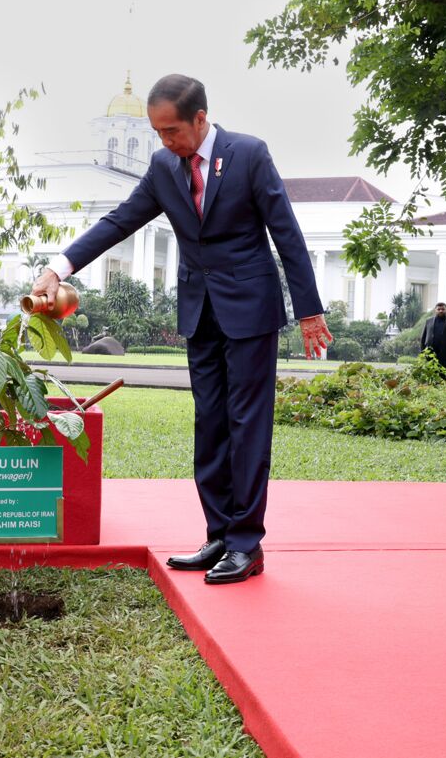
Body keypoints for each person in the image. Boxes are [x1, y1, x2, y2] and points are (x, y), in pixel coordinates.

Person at [31, 74, 332, 585]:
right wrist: (59, 267)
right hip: (199, 311)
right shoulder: (163, 165)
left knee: (247, 424)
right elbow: (120, 220)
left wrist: (310, 311)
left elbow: (287, 233)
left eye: (172, 130)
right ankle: (218, 535)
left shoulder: (249, 154)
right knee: (209, 422)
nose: (166, 141)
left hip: (250, 310)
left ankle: (246, 543)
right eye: (157, 132)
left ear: (200, 118)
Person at [419, 302, 446, 378]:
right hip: (430, 354)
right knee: (430, 375)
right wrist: (422, 352)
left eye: (443, 309)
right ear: (435, 310)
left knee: (444, 376)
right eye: (439, 309)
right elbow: (423, 338)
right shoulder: (429, 321)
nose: (441, 311)